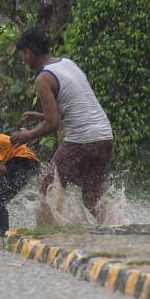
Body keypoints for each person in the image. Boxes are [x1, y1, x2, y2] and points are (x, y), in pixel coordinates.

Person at [11, 27, 113, 221]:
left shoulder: (43, 78)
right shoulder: (67, 63)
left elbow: (53, 123)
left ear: (29, 52)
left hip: (84, 138)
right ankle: (116, 226)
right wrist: (41, 116)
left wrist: (27, 136)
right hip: (105, 137)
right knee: (91, 197)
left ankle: (46, 232)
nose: (23, 60)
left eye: (23, 55)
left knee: (49, 182)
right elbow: (76, 105)